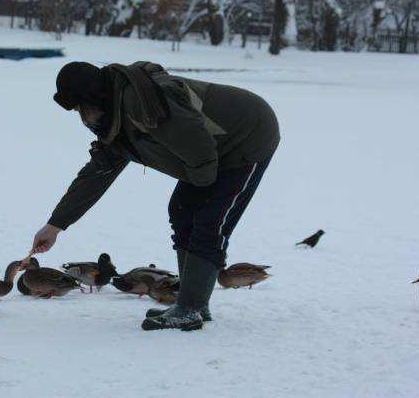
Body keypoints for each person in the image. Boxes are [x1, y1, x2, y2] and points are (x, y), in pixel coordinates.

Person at [31, 61, 280, 331]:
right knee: (183, 210)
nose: (81, 115)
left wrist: (203, 194)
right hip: (210, 153)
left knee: (209, 221)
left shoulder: (147, 105)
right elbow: (96, 174)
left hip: (247, 136)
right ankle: (191, 302)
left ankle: (191, 308)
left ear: (92, 97)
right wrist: (56, 224)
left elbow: (201, 154)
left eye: (79, 107)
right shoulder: (115, 120)